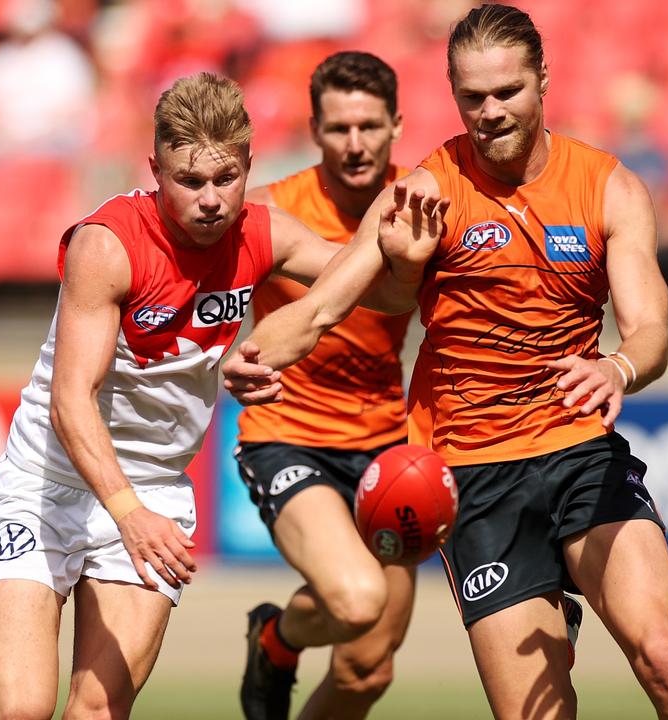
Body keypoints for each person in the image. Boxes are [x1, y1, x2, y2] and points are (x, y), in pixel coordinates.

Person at [222, 5, 668, 718]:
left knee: (666, 662)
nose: (489, 112)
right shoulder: (425, 192)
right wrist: (250, 359)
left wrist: (616, 370)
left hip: (580, 452)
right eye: (472, 97)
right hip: (477, 478)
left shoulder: (609, 187)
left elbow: (651, 333)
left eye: (507, 92)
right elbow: (324, 305)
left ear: (544, 80)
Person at [0, 71, 440, 720]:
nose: (212, 200)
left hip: (155, 484)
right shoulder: (109, 243)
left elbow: (369, 294)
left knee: (96, 711)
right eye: (190, 182)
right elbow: (72, 400)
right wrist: (128, 512)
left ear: (248, 165)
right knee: (19, 709)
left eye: (227, 179)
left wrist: (403, 260)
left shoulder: (261, 233)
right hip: (49, 480)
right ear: (155, 170)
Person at [231, 51, 417, 720]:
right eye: (339, 128)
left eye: (370, 126)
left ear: (397, 123)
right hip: (289, 435)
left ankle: (276, 641)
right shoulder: (266, 211)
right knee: (353, 599)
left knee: (367, 670)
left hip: (388, 448)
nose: (356, 144)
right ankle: (279, 640)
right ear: (314, 129)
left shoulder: (419, 208)